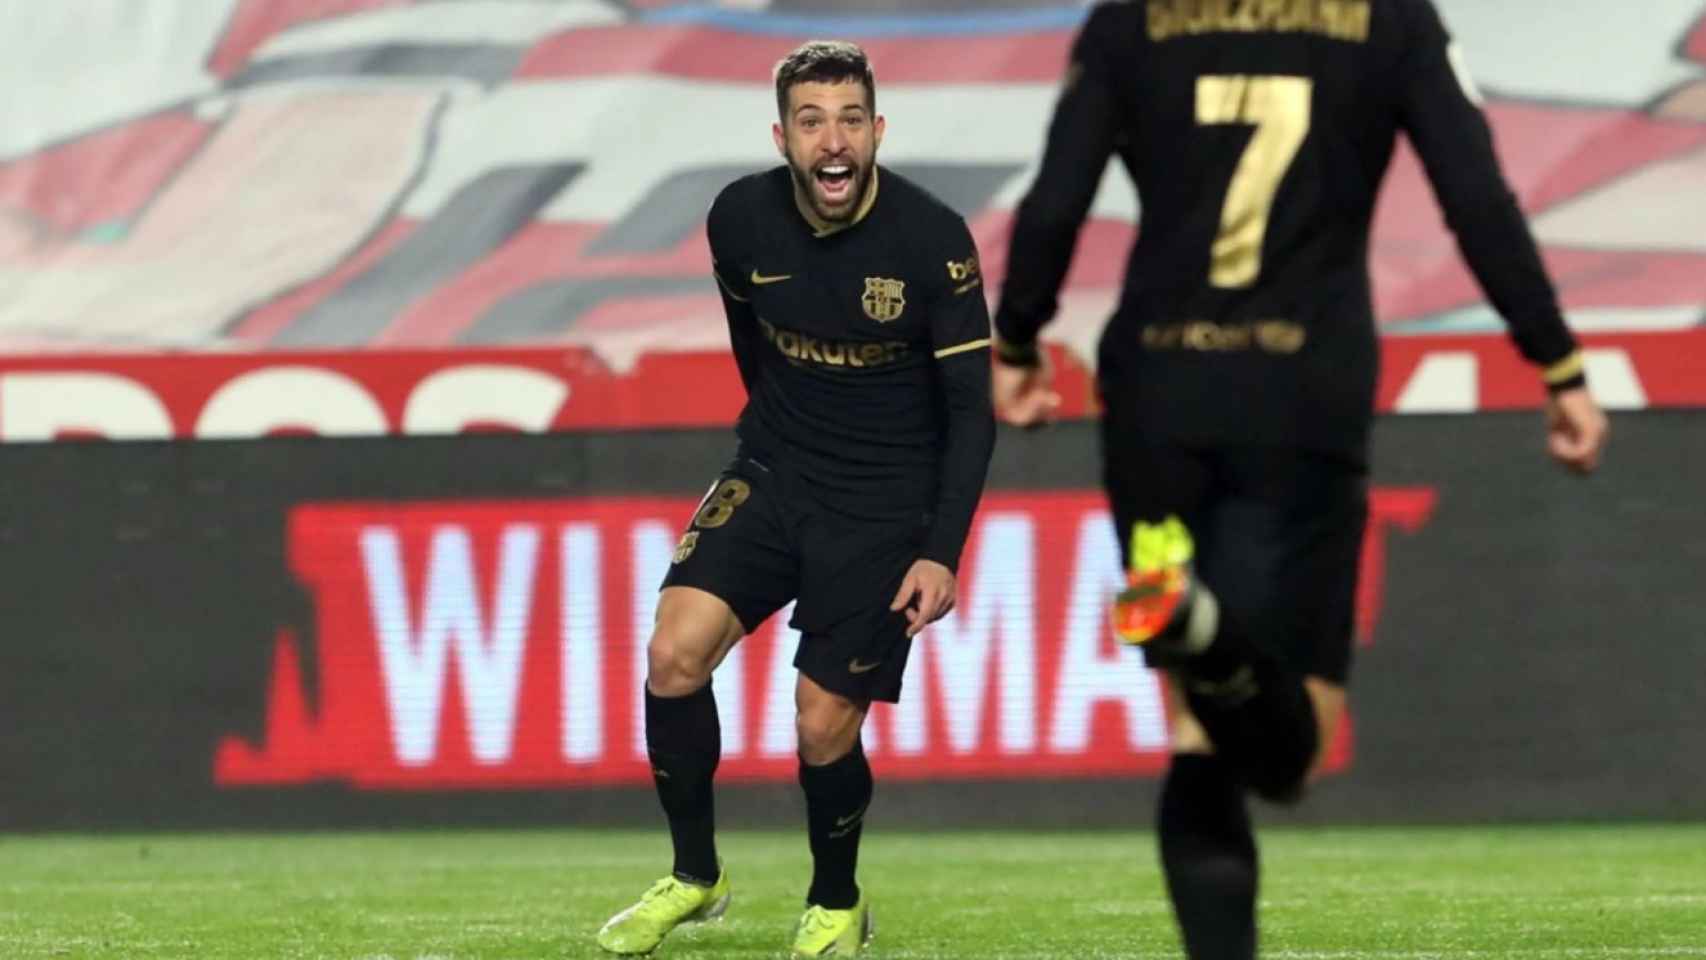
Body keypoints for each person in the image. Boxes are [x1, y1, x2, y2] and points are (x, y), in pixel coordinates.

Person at [992, 2, 1608, 957]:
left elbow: (1057, 194)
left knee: (1199, 731)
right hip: (1301, 390)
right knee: (1289, 757)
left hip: (1158, 391)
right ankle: (1208, 630)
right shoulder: (1388, 18)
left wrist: (1019, 336)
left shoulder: (1130, 21)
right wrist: (1557, 361)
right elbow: (1474, 193)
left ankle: (1199, 630)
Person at [596, 40, 996, 959]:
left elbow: (973, 414)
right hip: (776, 471)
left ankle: (836, 900)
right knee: (673, 656)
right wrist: (769, 439)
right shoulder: (738, 218)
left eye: (850, 119)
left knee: (822, 726)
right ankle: (696, 877)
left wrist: (941, 549)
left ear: (878, 130)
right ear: (782, 136)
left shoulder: (933, 242)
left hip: (885, 503)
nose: (833, 140)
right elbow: (755, 344)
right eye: (812, 121)